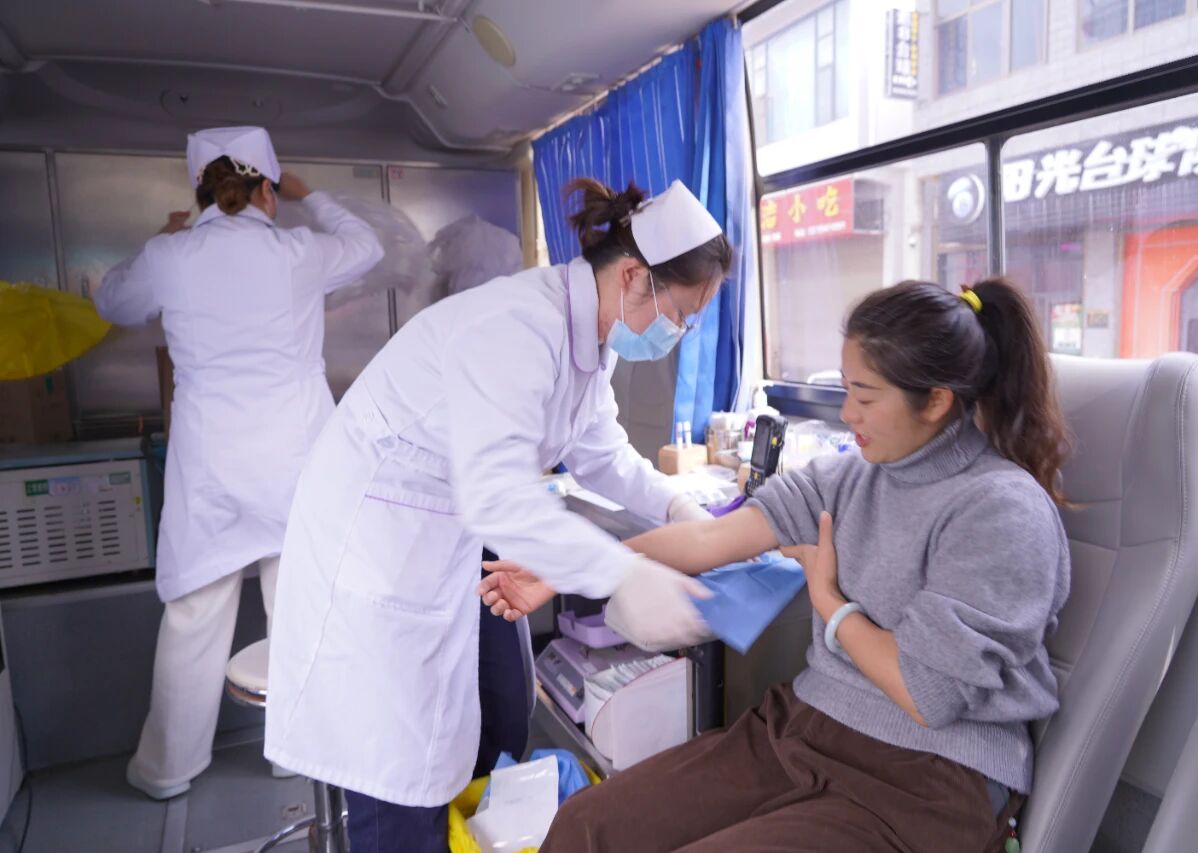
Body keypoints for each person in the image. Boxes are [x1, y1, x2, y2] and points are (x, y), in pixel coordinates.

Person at [481, 278, 1073, 851]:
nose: (849, 413)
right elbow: (710, 540)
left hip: (928, 779)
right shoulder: (847, 477)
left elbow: (926, 693)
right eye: (846, 389)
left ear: (937, 401)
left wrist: (830, 605)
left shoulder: (1001, 509)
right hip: (805, 728)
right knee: (589, 825)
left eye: (866, 397)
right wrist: (570, 568)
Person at [264, 177, 733, 852]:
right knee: (397, 779)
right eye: (680, 314)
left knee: (473, 735)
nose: (677, 332)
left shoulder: (589, 338)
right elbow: (497, 493)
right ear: (633, 276)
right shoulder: (516, 327)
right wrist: (624, 574)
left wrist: (677, 505)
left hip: (434, 545)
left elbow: (602, 453)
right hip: (373, 557)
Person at [92, 126, 384, 800]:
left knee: (194, 617)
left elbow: (110, 301)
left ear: (201, 193)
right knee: (298, 608)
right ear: (266, 192)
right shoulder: (297, 251)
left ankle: (167, 770)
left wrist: (164, 235)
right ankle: (294, 754)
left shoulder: (172, 255)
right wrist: (313, 196)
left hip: (211, 467)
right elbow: (368, 246)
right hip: (295, 461)